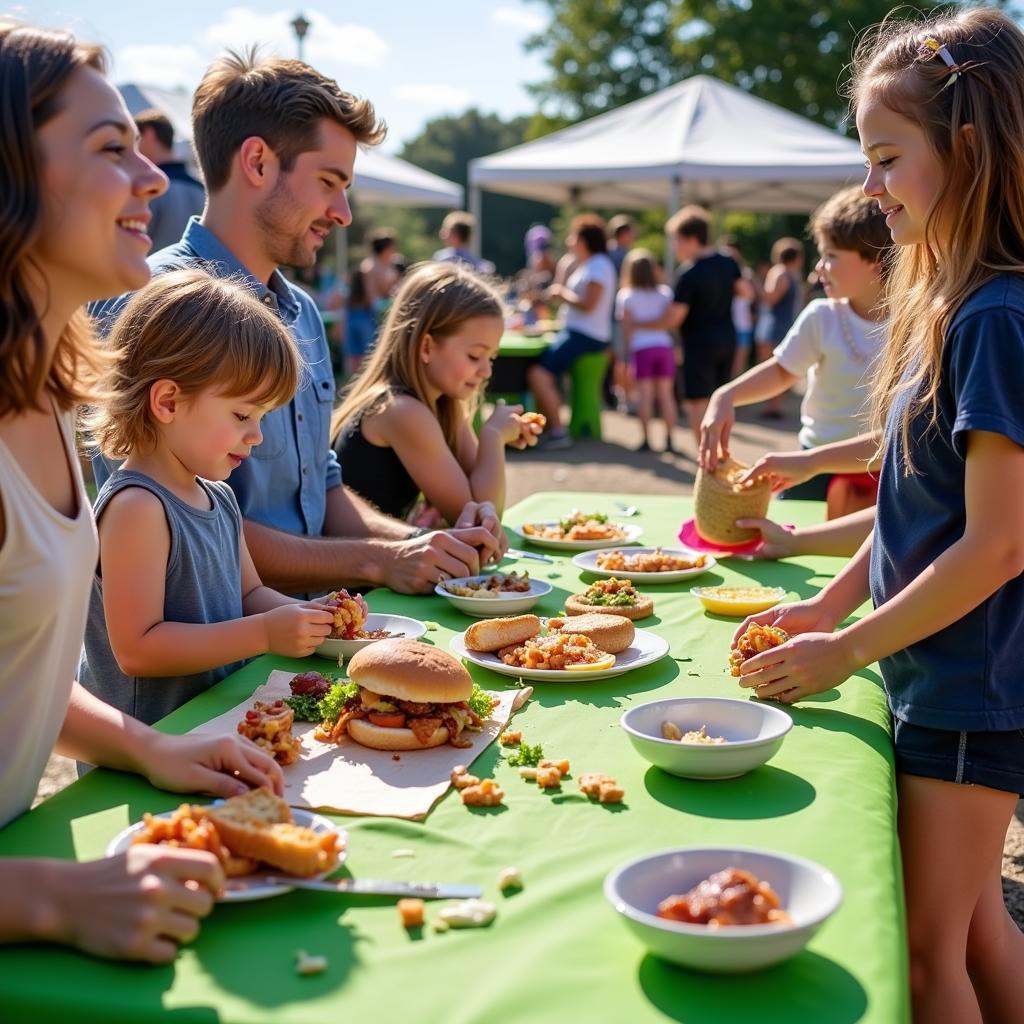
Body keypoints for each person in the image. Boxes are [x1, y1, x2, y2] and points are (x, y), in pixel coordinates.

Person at [734, 10, 1024, 1021]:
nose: (868, 188)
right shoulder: (951, 302)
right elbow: (915, 504)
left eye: (886, 158)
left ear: (971, 150)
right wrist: (827, 608)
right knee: (980, 928)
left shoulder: (995, 317)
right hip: (936, 672)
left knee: (923, 952)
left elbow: (994, 546)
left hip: (963, 691)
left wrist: (843, 651)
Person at [0, 19, 281, 964]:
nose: (156, 177)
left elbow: (21, 667)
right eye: (111, 149)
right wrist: (51, 899)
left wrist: (150, 748)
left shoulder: (43, 404)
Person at [93, 51, 505, 596]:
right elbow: (173, 522)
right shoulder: (144, 304)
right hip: (200, 674)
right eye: (330, 181)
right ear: (258, 162)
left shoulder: (304, 312)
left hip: (305, 646)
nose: (344, 213)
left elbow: (322, 489)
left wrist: (420, 547)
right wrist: (378, 561)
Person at [79, 270, 336, 729]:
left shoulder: (218, 495)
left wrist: (312, 617)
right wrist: (263, 634)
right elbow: (138, 648)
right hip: (152, 747)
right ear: (168, 402)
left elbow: (250, 593)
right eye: (242, 414)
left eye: (261, 417)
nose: (256, 435)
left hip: (213, 730)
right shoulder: (138, 506)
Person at [700, 186, 891, 517]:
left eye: (831, 256)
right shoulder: (821, 316)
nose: (819, 267)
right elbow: (782, 371)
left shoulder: (915, 323)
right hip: (811, 466)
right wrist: (726, 396)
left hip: (883, 471)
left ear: (874, 260)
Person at [331, 262, 540, 524]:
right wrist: (494, 436)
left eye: (491, 357)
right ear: (427, 346)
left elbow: (481, 507)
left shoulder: (444, 403)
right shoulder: (400, 410)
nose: (487, 371)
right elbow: (479, 520)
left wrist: (495, 442)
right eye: (475, 356)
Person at [635, 206, 754, 445]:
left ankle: (706, 460)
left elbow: (674, 318)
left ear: (691, 239)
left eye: (677, 240)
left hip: (699, 345)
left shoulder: (688, 274)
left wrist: (641, 324)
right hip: (727, 339)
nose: (674, 247)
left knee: (697, 403)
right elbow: (746, 293)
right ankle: (721, 454)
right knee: (721, 400)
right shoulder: (728, 261)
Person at [527, 214, 617, 449]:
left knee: (538, 374)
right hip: (580, 332)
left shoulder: (598, 265)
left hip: (586, 335)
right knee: (541, 369)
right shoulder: (589, 264)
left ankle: (557, 430)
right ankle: (549, 427)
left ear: (584, 240)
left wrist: (561, 293)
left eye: (573, 237)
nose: (568, 242)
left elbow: (589, 304)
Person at [616, 249, 677, 452]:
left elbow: (627, 329)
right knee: (666, 396)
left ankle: (646, 440)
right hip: (664, 347)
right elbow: (668, 323)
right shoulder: (664, 293)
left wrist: (626, 354)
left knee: (645, 396)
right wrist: (654, 324)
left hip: (641, 349)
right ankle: (669, 439)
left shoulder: (626, 296)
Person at [134, 108, 205, 252]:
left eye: (136, 139)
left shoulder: (149, 191)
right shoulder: (202, 189)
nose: (134, 148)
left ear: (149, 134)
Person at [755, 237, 805, 418]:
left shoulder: (779, 273)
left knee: (771, 367)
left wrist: (755, 285)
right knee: (778, 367)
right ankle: (774, 405)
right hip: (782, 324)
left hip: (775, 325)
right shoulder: (791, 274)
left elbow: (771, 298)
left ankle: (773, 406)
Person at [343, 265, 375, 377]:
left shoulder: (349, 303)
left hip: (352, 319)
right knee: (368, 358)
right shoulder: (366, 301)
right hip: (365, 318)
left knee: (354, 361)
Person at [361, 228, 399, 313]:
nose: (395, 249)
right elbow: (372, 299)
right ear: (384, 248)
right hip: (371, 313)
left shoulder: (393, 264)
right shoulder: (369, 267)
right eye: (392, 246)